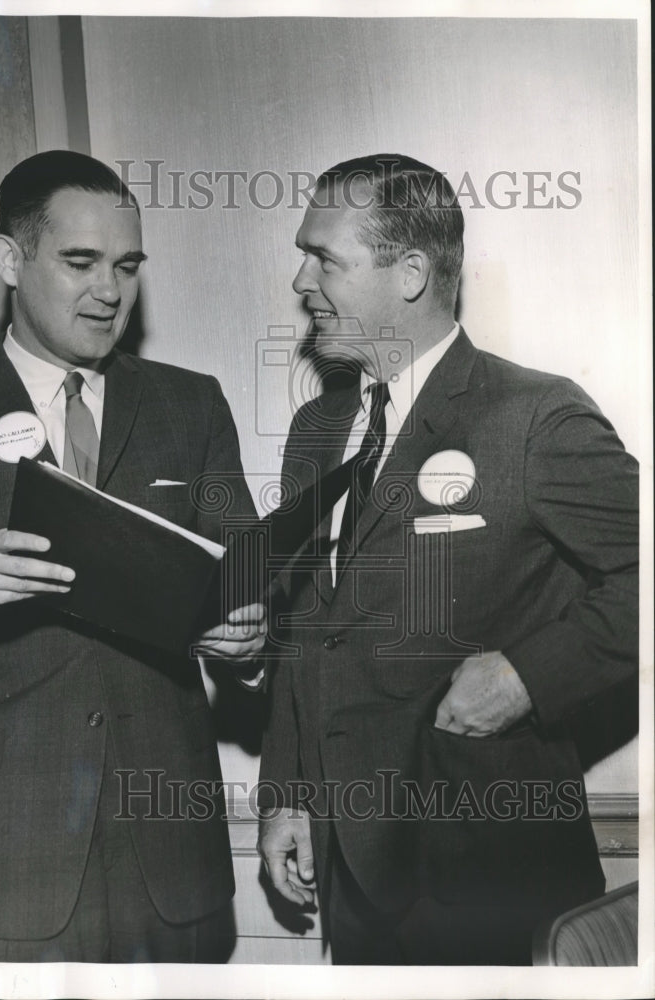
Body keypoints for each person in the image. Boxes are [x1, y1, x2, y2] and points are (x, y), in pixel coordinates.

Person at [0, 150, 264, 963]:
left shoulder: (192, 403)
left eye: (126, 266)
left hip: (172, 864)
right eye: (80, 262)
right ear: (11, 259)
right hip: (8, 865)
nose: (109, 291)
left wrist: (249, 639)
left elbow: (248, 577)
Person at [257, 154, 638, 965]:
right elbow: (304, 627)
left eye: (323, 257)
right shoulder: (316, 433)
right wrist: (287, 796)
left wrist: (527, 676)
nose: (301, 279)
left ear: (410, 273)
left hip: (492, 873)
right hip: (352, 876)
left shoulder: (533, 416)